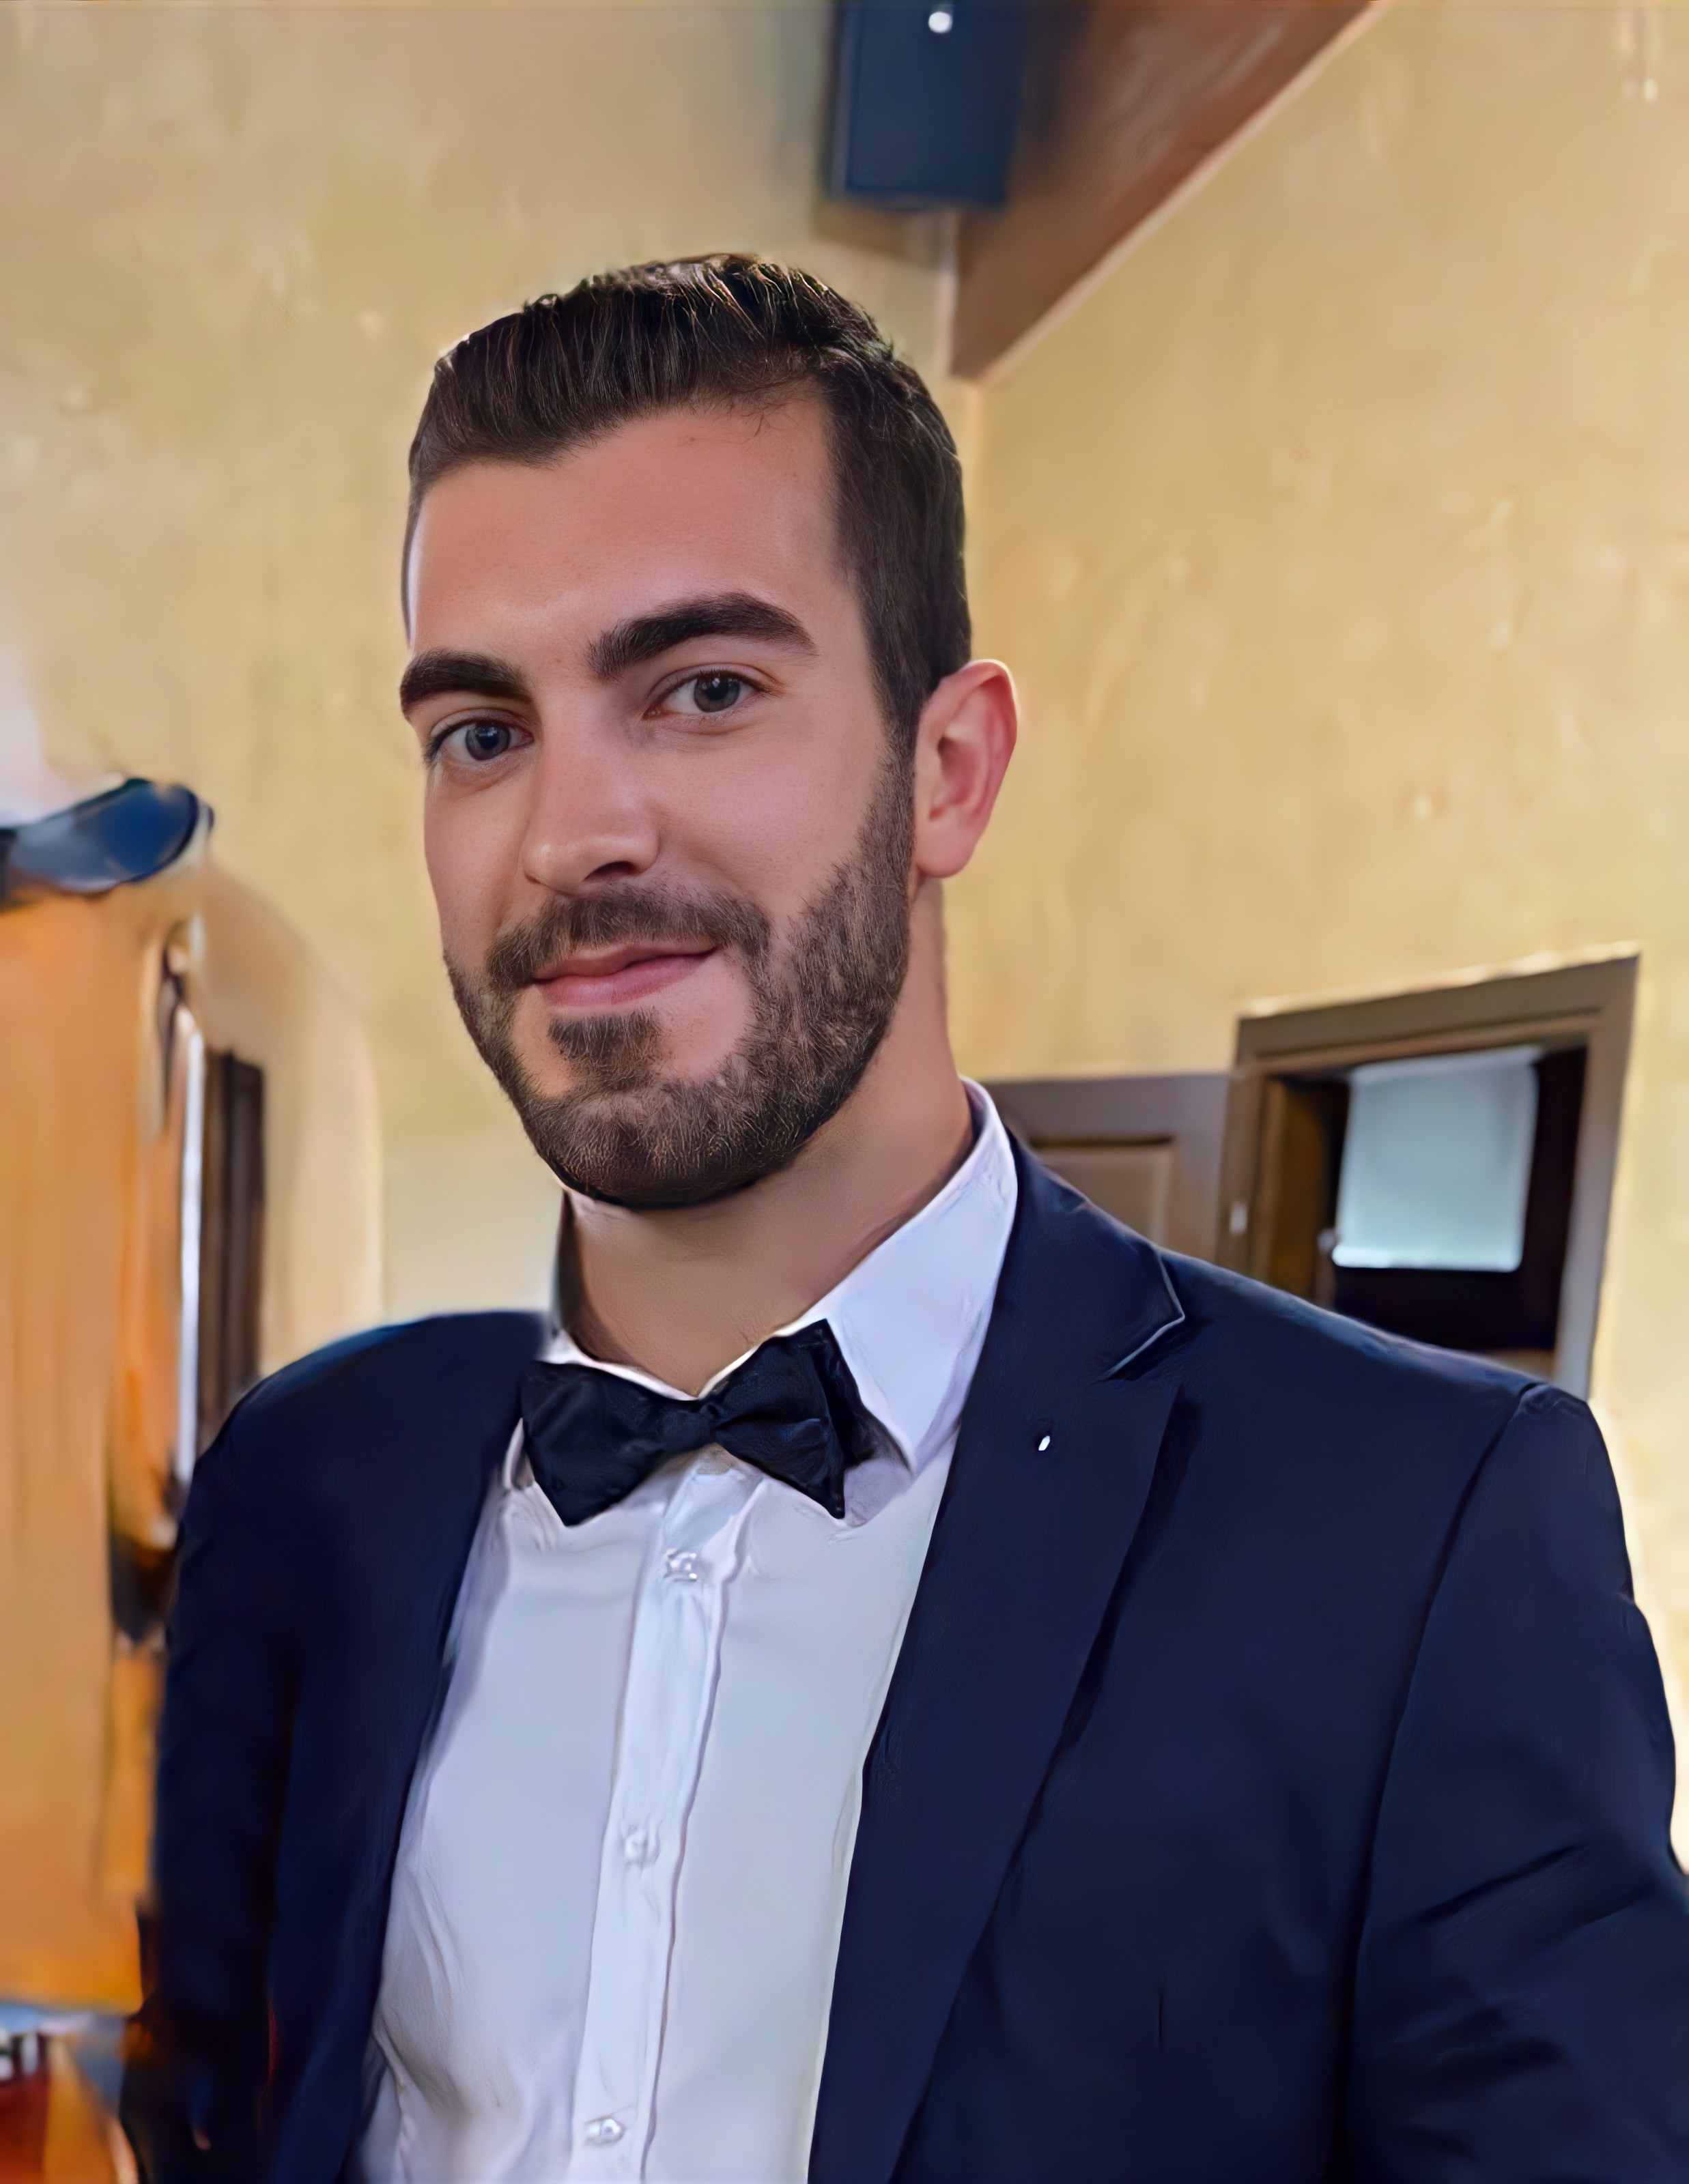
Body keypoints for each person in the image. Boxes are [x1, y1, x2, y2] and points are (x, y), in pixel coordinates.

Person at [122, 256, 1689, 2184]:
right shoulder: (307, 1483)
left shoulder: (1422, 1527)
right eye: (482, 732)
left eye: (703, 691)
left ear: (947, 771)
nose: (571, 833)